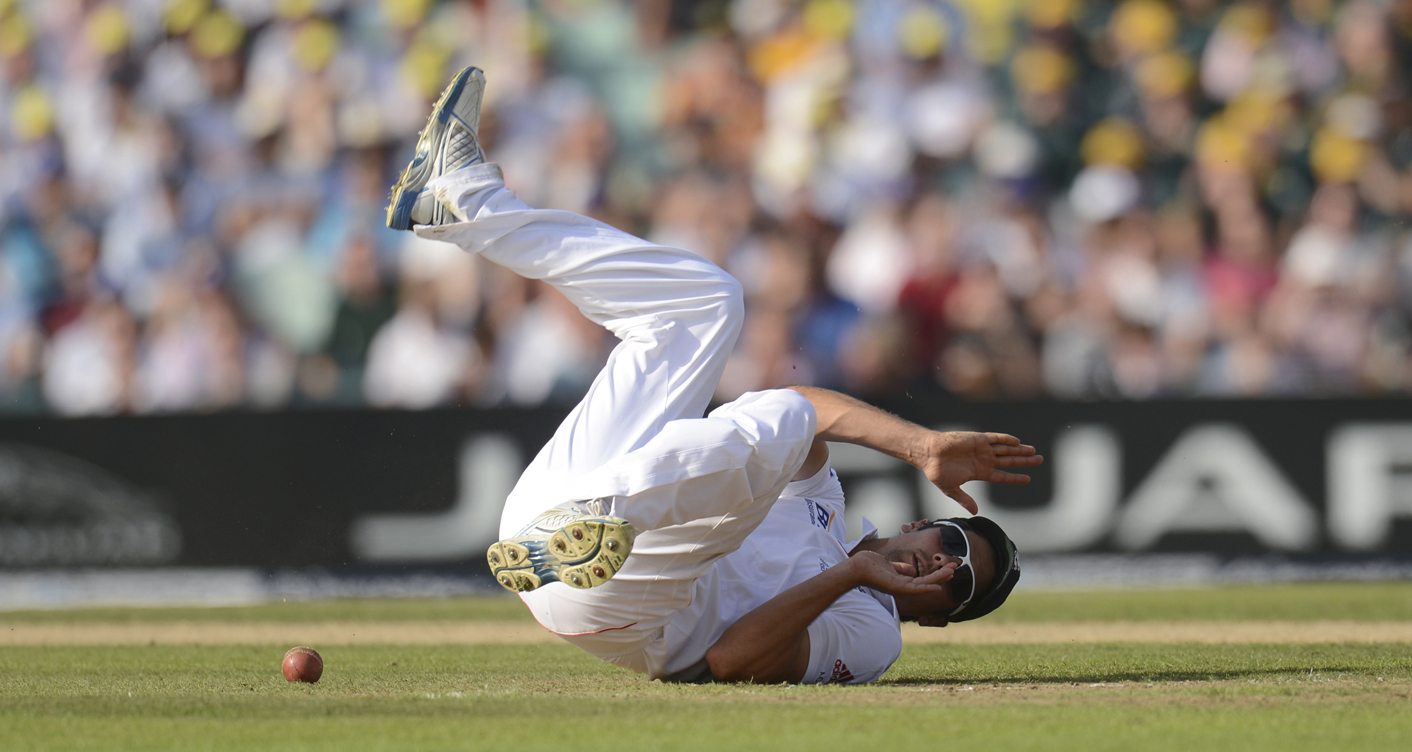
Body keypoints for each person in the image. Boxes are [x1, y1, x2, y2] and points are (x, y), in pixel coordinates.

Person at [386, 67, 1045, 684]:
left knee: (783, 420)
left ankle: (593, 525)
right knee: (707, 304)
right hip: (546, 520)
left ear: (934, 615)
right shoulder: (825, 510)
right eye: (953, 540)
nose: (946, 563)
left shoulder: (874, 633)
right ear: (918, 527)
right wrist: (922, 445)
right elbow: (808, 413)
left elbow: (730, 660)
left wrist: (853, 576)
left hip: (629, 604)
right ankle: (464, 199)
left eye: (959, 584)